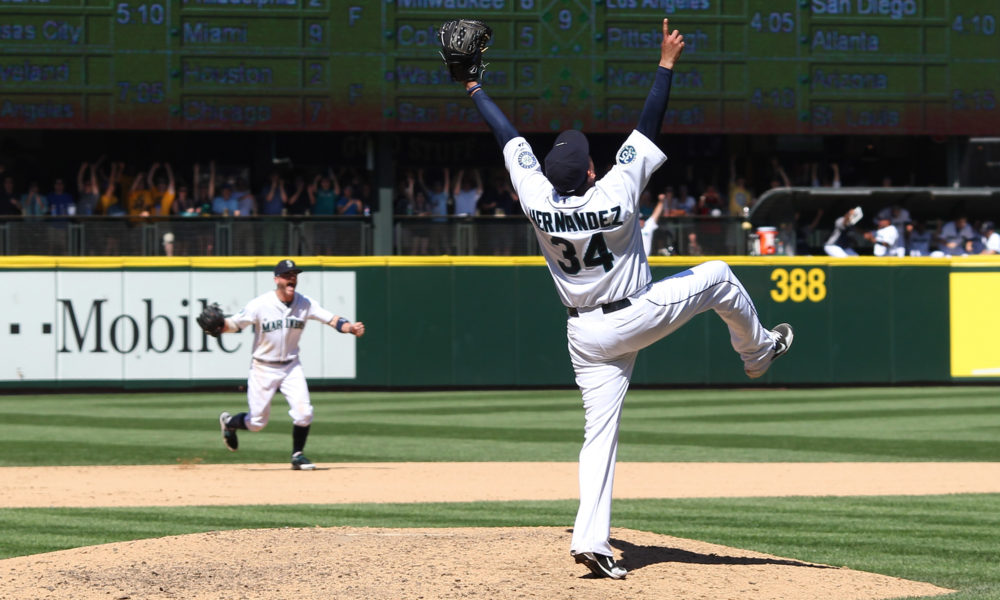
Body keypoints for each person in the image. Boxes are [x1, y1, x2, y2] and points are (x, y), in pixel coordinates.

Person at [455, 18, 792, 579]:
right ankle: (757, 353)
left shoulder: (536, 198)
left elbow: (506, 137)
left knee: (599, 435)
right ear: (590, 169)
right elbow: (650, 124)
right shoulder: (614, 190)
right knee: (719, 274)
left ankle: (591, 539)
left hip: (582, 335)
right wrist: (665, 64)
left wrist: (472, 88)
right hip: (633, 314)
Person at [216, 259, 365, 469]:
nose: (292, 278)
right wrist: (220, 326)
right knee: (257, 423)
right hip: (263, 367)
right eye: (287, 275)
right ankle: (230, 423)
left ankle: (297, 456)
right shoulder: (260, 304)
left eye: (294, 274)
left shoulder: (304, 303)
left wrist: (349, 327)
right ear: (276, 279)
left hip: (290, 366)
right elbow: (234, 323)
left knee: (304, 413)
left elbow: (331, 319)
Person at [639, 192, 664, 257]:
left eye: (643, 219)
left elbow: (656, 214)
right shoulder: (632, 228)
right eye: (639, 219)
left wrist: (661, 201)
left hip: (647, 259)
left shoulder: (648, 226)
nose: (641, 221)